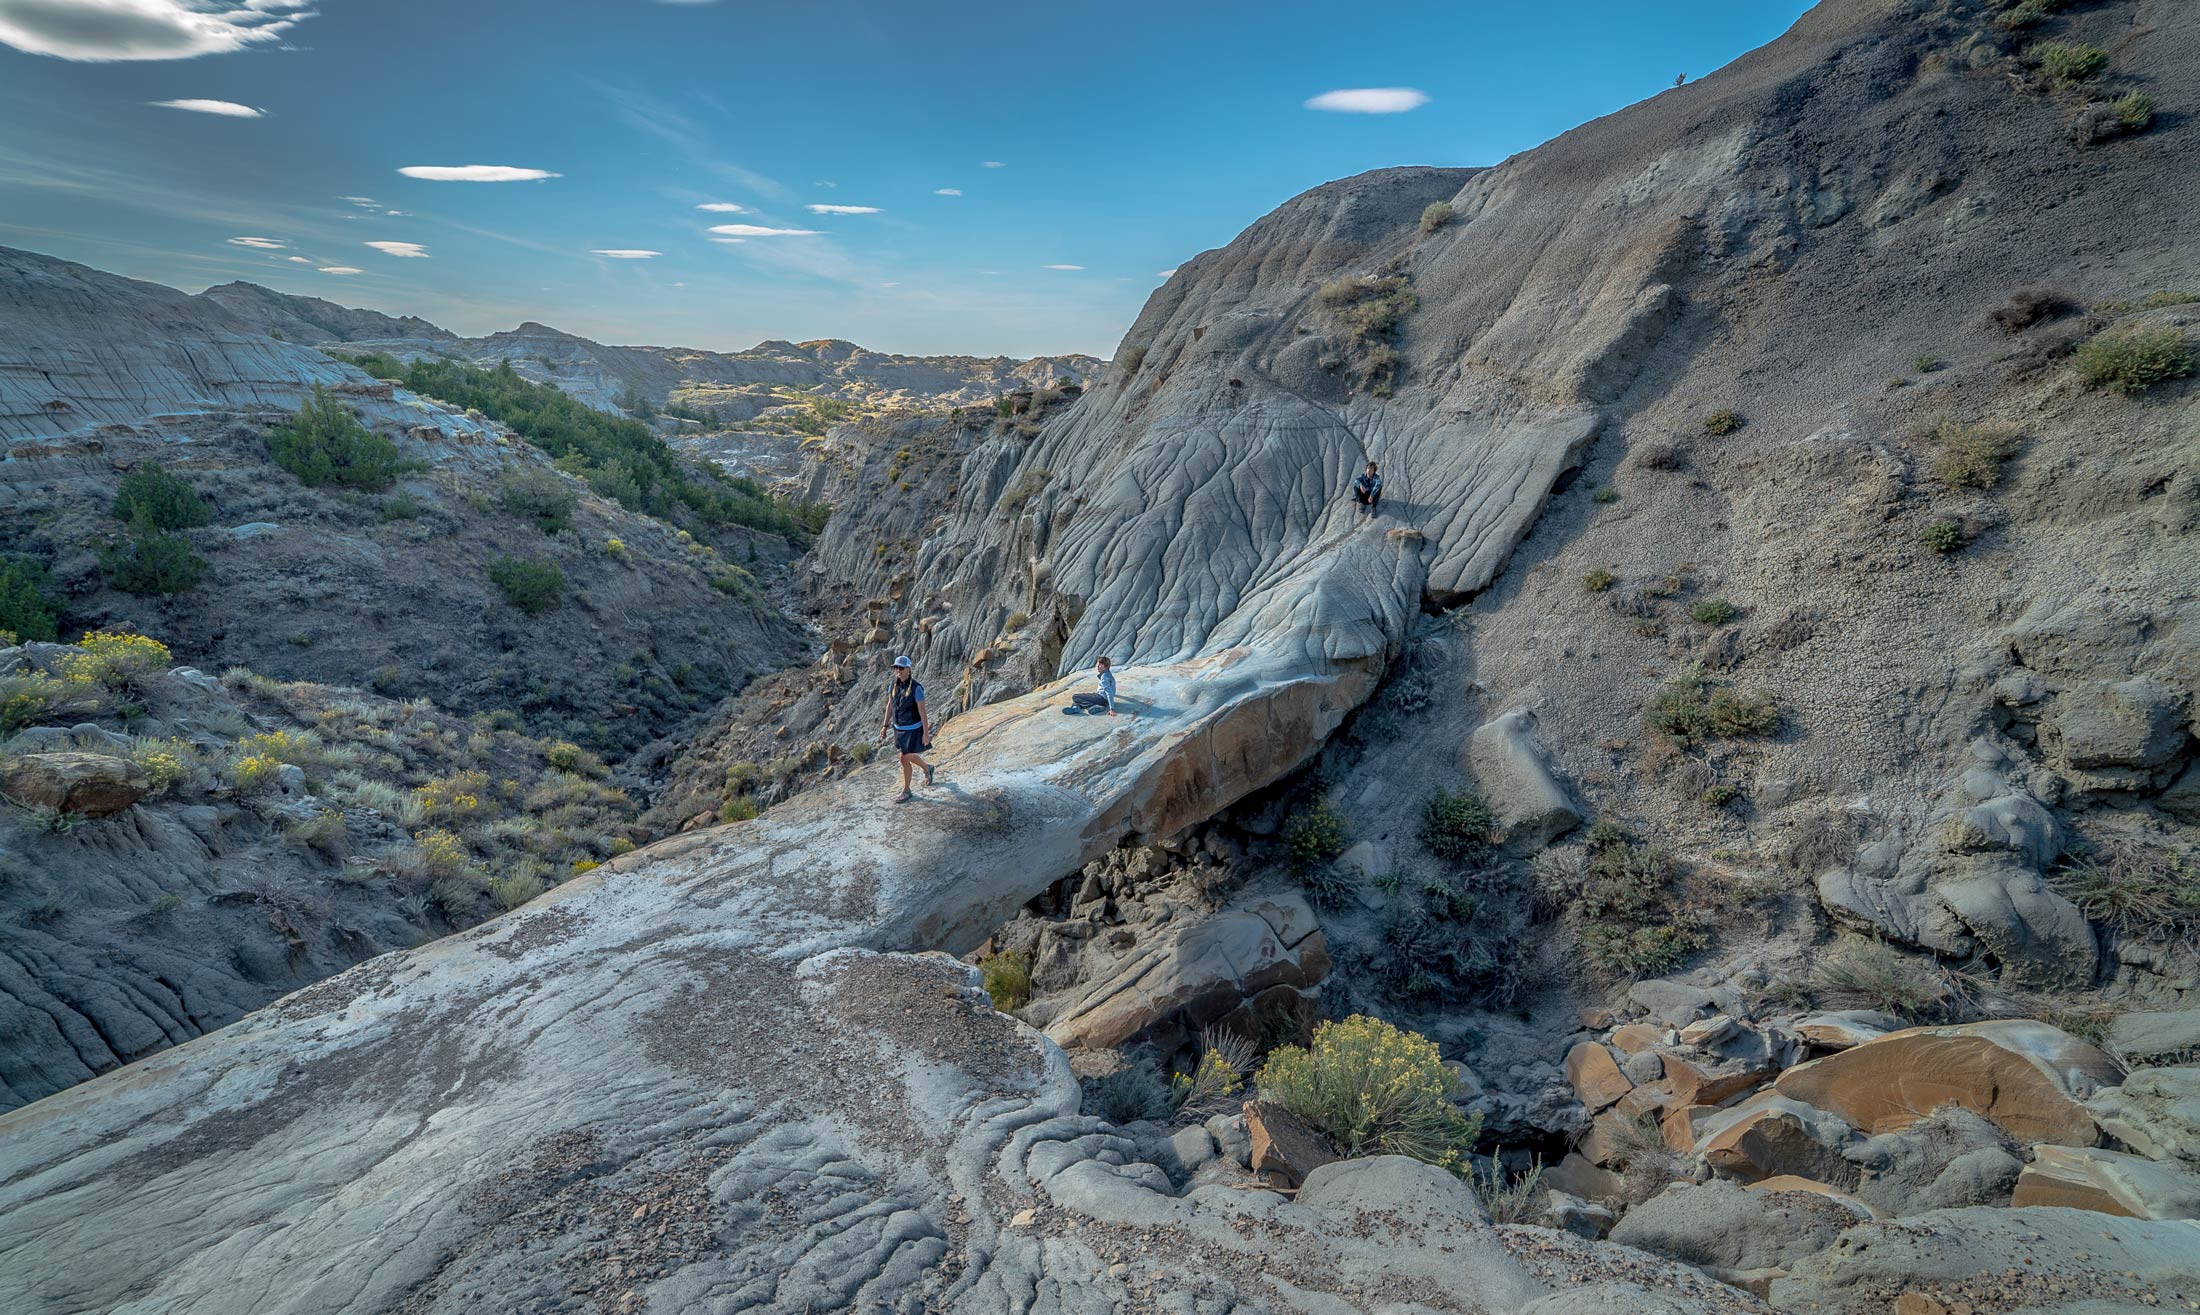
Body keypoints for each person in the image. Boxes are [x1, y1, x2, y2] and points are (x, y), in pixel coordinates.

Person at [880, 655, 935, 802]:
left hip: (912, 730)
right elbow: (890, 706)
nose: (897, 670)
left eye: (901, 667)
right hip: (898, 729)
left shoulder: (917, 688)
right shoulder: (893, 686)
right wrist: (885, 725)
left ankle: (906, 791)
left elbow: (922, 711)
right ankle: (927, 768)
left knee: (904, 758)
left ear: (908, 669)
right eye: (895, 667)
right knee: (907, 757)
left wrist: (926, 733)